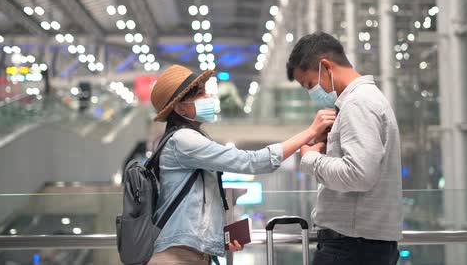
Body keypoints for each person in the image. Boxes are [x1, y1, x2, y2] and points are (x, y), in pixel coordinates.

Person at [147, 64, 335, 265]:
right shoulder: (183, 140)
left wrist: (220, 237)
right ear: (179, 107)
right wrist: (310, 131)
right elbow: (251, 162)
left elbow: (193, 205)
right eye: (201, 94)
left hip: (188, 253)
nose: (208, 98)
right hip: (175, 257)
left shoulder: (187, 139)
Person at [286, 32, 403, 265]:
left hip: (351, 246)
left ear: (326, 66)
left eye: (310, 84)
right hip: (361, 245)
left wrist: (311, 159)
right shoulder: (368, 99)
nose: (311, 93)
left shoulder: (357, 103)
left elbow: (359, 175)